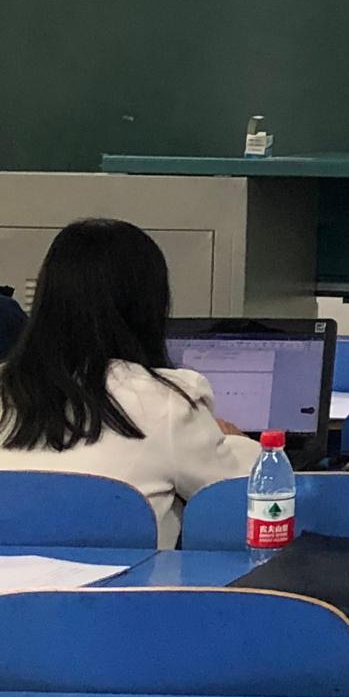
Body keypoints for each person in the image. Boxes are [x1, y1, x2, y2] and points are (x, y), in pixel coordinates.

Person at [0, 219, 259, 546]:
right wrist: (241, 445)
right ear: (149, 306)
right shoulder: (165, 401)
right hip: (124, 581)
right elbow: (244, 497)